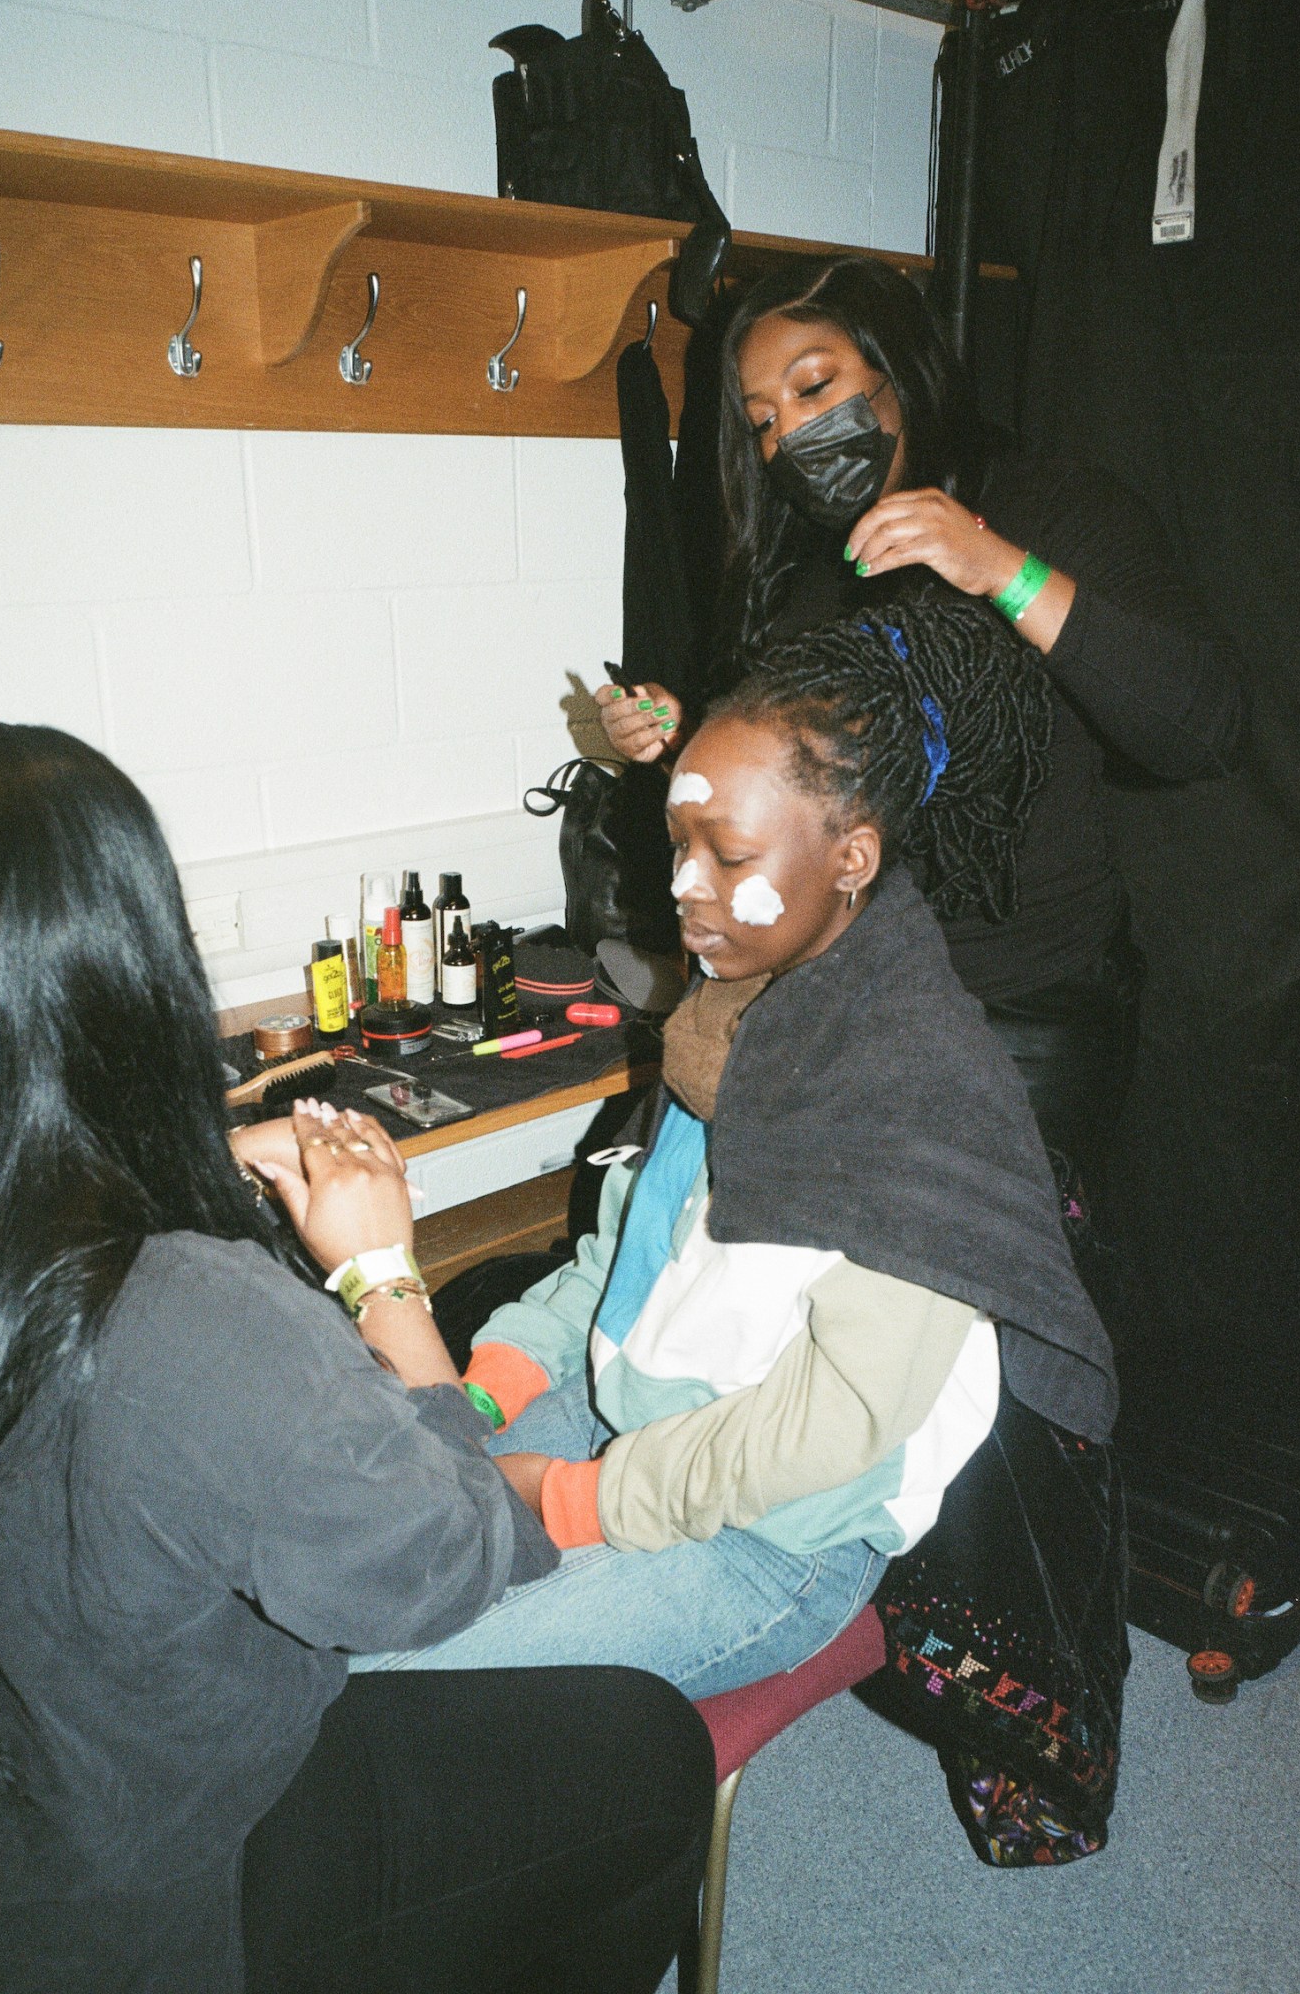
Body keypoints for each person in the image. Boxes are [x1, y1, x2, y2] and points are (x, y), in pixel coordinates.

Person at [0, 724, 713, 1994]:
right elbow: (443, 1564)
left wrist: (178, 1172)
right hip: (156, 1901)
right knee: (648, 1750)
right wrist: (385, 1281)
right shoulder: (186, 1327)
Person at [350, 606, 1118, 1695]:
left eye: (730, 854)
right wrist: (486, 1392)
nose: (683, 887)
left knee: (382, 1668)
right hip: (634, 1412)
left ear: (852, 855)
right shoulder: (730, 1012)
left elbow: (828, 1427)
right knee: (340, 1568)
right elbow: (621, 1260)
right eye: (679, 845)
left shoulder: (918, 1095)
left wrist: (574, 1502)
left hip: (769, 1537)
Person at [594, 256, 1243, 1274]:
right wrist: (682, 737)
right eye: (763, 420)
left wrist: (998, 568)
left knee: (981, 1348)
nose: (791, 435)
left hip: (1018, 1025)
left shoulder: (1056, 507)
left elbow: (1199, 723)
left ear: (900, 366)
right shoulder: (800, 570)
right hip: (843, 1017)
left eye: (814, 388)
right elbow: (806, 787)